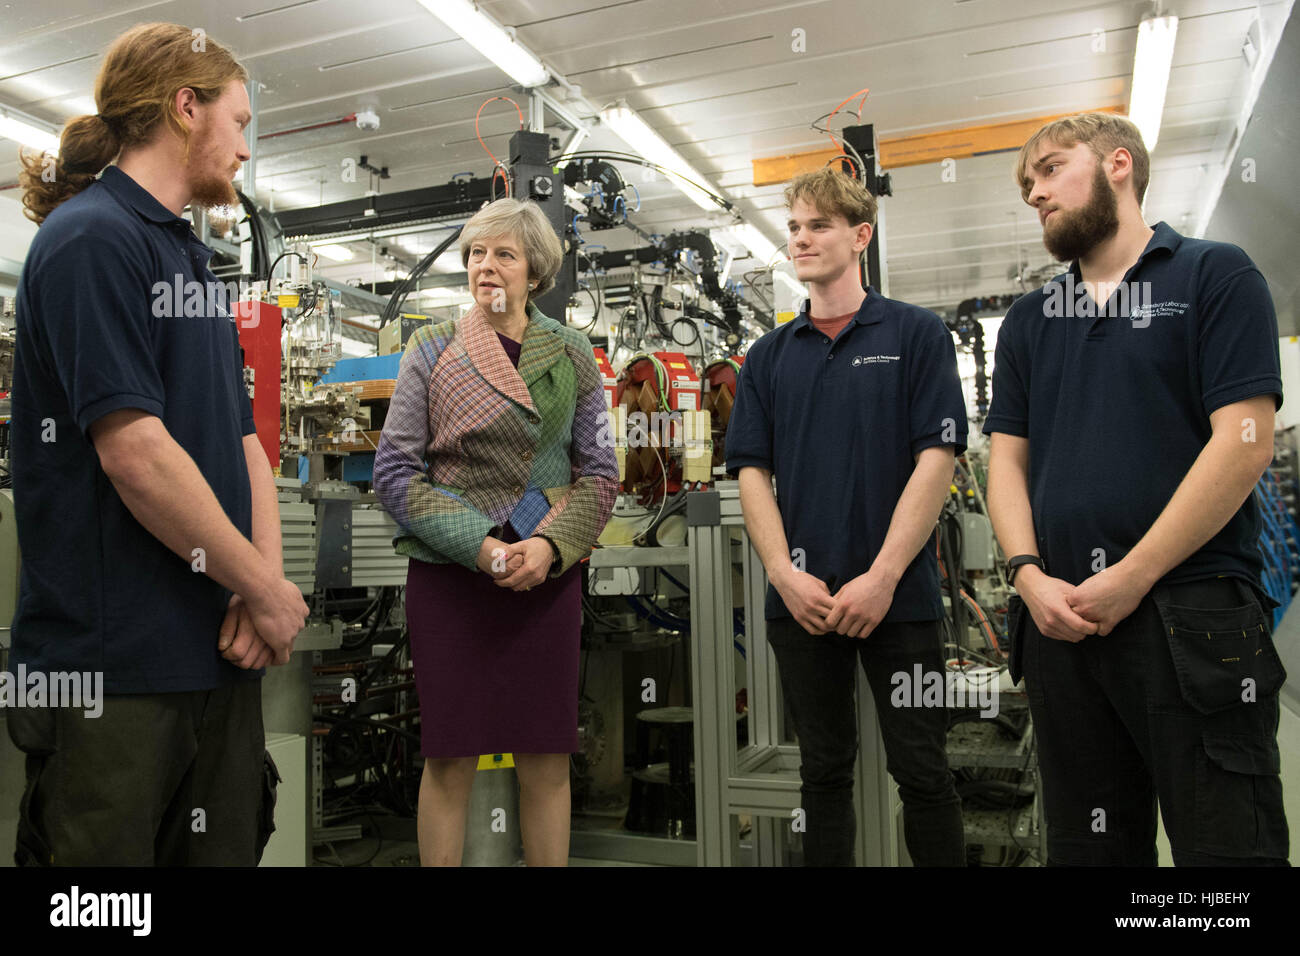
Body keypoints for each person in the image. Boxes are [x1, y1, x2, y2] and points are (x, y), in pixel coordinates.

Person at [8, 22, 308, 866]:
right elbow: (134, 452)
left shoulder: (190, 258)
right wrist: (262, 590)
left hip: (215, 657)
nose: (246, 149)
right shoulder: (92, 240)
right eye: (240, 122)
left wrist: (264, 592)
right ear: (186, 108)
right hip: (117, 673)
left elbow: (246, 444)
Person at [984, 111, 1290, 865]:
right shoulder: (1028, 322)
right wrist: (1026, 576)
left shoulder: (1214, 275)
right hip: (1060, 630)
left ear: (1118, 164)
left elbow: (1243, 443)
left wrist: (1135, 574)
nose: (1035, 192)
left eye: (1051, 168)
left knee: (1225, 855)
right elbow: (1006, 464)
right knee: (1090, 850)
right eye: (1028, 182)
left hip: (1192, 621)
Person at [725, 167, 968, 866]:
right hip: (803, 604)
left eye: (818, 225)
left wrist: (885, 576)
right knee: (822, 774)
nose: (800, 239)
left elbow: (937, 460)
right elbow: (750, 472)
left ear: (860, 236)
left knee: (922, 773)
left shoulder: (916, 334)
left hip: (901, 600)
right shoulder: (768, 357)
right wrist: (782, 576)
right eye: (794, 227)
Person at [373, 197, 618, 866]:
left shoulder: (573, 353)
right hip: (453, 572)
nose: (487, 266)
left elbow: (600, 475)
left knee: (547, 756)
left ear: (534, 272)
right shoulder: (432, 347)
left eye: (504, 255)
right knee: (450, 755)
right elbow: (394, 474)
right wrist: (480, 547)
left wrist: (549, 546)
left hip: (544, 573)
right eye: (478, 253)